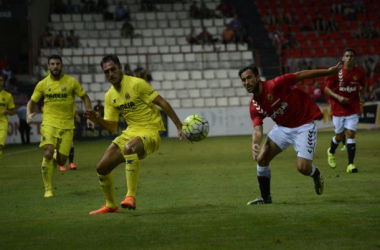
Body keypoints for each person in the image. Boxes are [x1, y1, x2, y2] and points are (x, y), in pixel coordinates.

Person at [84, 55, 189, 214]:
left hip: (150, 131)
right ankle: (111, 205)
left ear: (120, 68)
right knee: (101, 168)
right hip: (131, 131)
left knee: (129, 148)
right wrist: (98, 120)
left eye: (113, 69)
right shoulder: (109, 96)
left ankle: (130, 197)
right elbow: (112, 127)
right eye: (106, 72)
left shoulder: (137, 84)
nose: (110, 74)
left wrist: (179, 126)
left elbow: (162, 102)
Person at [239, 62, 341, 205]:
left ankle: (316, 174)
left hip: (304, 125)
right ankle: (265, 198)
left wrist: (327, 72)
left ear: (257, 77)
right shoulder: (254, 106)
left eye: (249, 78)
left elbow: (300, 75)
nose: (246, 82)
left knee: (303, 168)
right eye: (243, 80)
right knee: (261, 158)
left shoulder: (275, 85)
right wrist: (255, 143)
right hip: (283, 128)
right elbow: (257, 128)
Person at [27, 54, 93, 198]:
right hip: (49, 123)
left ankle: (57, 155)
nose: (55, 66)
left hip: (67, 126)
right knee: (48, 151)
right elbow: (31, 101)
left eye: (58, 63)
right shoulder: (42, 84)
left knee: (62, 160)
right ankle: (48, 189)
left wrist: (89, 116)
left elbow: (85, 97)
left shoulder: (71, 82)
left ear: (61, 65)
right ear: (48, 66)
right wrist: (29, 113)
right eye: (52, 64)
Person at [325, 48, 367, 173]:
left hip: (353, 108)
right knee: (339, 136)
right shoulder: (336, 72)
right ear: (343, 58)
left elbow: (364, 86)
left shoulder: (359, 73)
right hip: (338, 109)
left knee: (350, 134)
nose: (349, 58)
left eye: (351, 56)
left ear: (354, 59)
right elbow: (327, 89)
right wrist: (338, 97)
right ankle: (331, 151)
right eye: (347, 56)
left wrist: (360, 98)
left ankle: (350, 165)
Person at [0, 73, 16, 160]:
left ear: (3, 82)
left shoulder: (8, 96)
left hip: (2, 122)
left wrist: (8, 112)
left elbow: (13, 111)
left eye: (1, 80)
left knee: (0, 145)